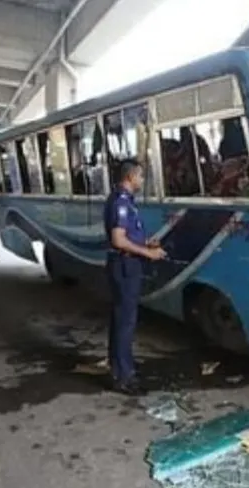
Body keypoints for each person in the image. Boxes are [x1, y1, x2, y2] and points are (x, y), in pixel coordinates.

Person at [104, 159, 167, 395]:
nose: (142, 180)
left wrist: (145, 242)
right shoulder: (121, 202)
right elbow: (118, 240)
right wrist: (147, 253)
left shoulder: (126, 201)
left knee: (122, 319)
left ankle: (120, 367)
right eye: (140, 176)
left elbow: (127, 235)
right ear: (130, 177)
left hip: (126, 263)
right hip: (125, 265)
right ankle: (123, 377)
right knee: (125, 321)